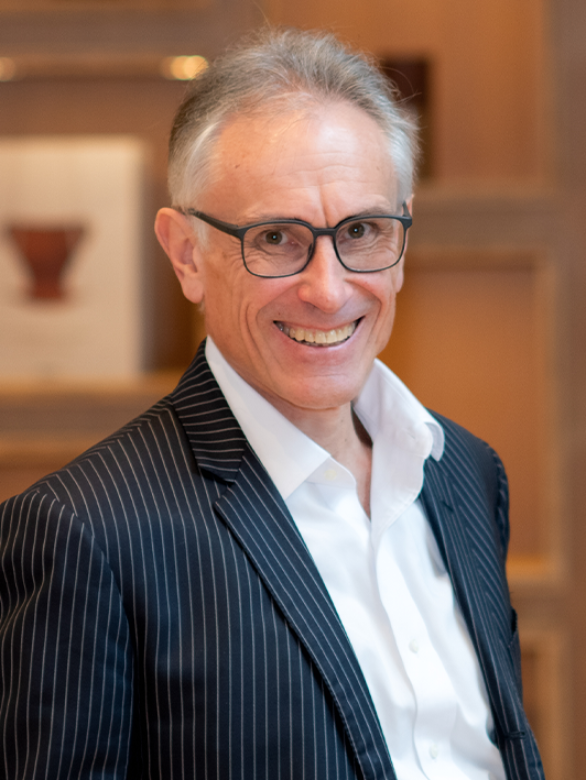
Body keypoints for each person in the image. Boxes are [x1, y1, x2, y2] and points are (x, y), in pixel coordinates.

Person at [0, 28, 544, 780]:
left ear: (403, 236)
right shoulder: (84, 532)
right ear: (186, 254)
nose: (328, 289)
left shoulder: (467, 472)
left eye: (362, 230)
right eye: (277, 238)